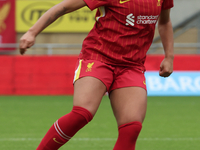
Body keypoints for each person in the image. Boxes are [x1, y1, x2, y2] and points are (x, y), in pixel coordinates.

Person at [19, 0, 174, 149]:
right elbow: (64, 7)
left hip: (132, 65)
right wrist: (32, 32)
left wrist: (169, 57)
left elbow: (164, 22)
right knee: (82, 113)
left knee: (131, 127)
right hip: (98, 57)